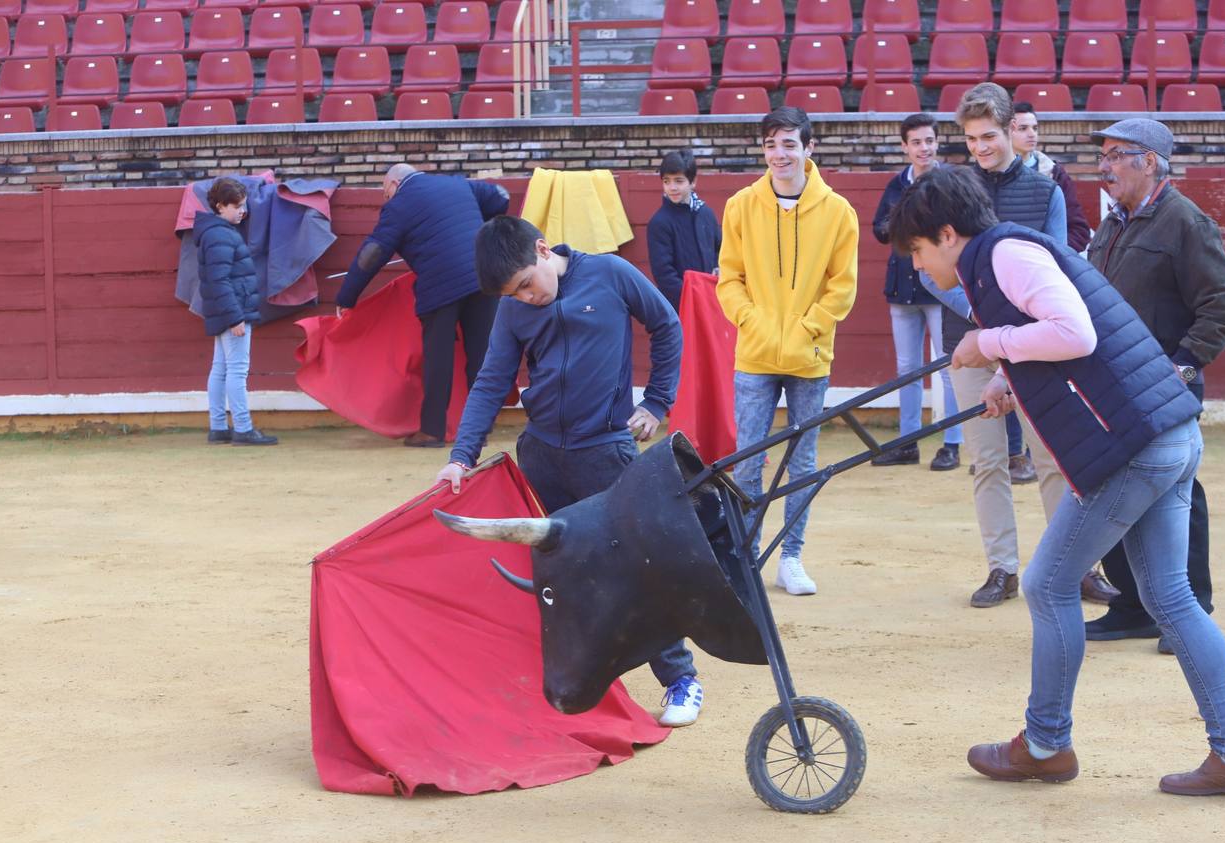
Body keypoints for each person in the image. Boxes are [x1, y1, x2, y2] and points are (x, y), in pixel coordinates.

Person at [888, 164, 1225, 798]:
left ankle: (1044, 744)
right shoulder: (1004, 253)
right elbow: (1070, 335)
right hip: (1165, 432)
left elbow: (1074, 332)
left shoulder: (1004, 256)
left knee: (1047, 584)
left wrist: (989, 342)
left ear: (948, 234)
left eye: (920, 252)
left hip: (1135, 445)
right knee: (1171, 598)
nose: (921, 267)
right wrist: (1007, 375)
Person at [434, 215, 704, 727]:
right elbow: (492, 381)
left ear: (542, 250)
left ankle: (681, 679)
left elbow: (667, 325)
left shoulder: (610, 273)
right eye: (513, 294)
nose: (525, 298)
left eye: (526, 284)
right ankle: (585, 680)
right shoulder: (513, 311)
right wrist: (461, 456)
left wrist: (657, 401)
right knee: (565, 574)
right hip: (543, 457)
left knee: (640, 567)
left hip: (606, 452)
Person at [931, 83, 1116, 609]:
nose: (981, 147)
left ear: (1013, 129)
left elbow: (1060, 266)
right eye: (971, 139)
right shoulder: (950, 190)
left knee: (1054, 455)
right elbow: (929, 272)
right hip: (969, 341)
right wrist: (982, 320)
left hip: (1037, 343)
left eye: (989, 135)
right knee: (987, 460)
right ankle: (1001, 568)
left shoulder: (1047, 190)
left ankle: (1076, 566)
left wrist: (1007, 331)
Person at [1084, 119, 1225, 654]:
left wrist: (1183, 366)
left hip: (1164, 386)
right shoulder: (1114, 224)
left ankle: (1191, 609)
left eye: (1114, 155)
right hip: (1114, 386)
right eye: (1103, 156)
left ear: (1148, 161)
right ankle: (1133, 606)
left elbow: (1224, 306)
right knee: (1117, 487)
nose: (1103, 166)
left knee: (1179, 495)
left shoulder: (1185, 222)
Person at [716, 106, 859, 597]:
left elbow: (842, 288)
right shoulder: (740, 206)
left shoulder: (839, 211)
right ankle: (747, 556)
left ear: (809, 148)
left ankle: (791, 556)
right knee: (748, 461)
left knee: (803, 463)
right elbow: (729, 279)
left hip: (810, 356)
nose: (780, 154)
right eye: (772, 145)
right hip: (754, 355)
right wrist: (753, 322)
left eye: (789, 144)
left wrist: (807, 329)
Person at [335, 163, 510, 448]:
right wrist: (477, 227)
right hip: (483, 275)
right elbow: (501, 196)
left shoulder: (400, 204)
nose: (385, 198)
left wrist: (346, 297)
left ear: (393, 185)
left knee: (438, 358)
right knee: (481, 356)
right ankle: (480, 429)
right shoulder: (456, 183)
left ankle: (432, 431)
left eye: (384, 192)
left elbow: (373, 253)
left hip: (440, 285)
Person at [869, 113, 962, 471]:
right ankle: (908, 442)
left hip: (940, 286)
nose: (924, 148)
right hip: (903, 286)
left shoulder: (947, 182)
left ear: (936, 143)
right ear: (905, 147)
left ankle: (951, 442)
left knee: (946, 367)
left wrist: (904, 224)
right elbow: (880, 230)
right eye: (917, 142)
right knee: (907, 367)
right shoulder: (898, 183)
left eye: (929, 141)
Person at [194, 176, 277, 447]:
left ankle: (218, 426)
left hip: (225, 310)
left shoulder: (215, 232)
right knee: (237, 371)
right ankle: (242, 427)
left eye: (243, 205)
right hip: (233, 312)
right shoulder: (220, 234)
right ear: (220, 206)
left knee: (220, 368)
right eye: (237, 206)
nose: (244, 211)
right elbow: (220, 281)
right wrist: (235, 317)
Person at [1010, 101, 1092, 254]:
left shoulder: (1056, 174)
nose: (1031, 134)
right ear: (1007, 131)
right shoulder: (990, 175)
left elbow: (1079, 231)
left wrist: (1053, 256)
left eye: (1034, 128)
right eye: (1023, 128)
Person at [646, 148, 722, 310]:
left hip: (712, 301)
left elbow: (720, 249)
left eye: (678, 181)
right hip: (680, 306)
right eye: (667, 181)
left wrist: (718, 270)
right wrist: (693, 298)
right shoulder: (659, 222)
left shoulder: (705, 213)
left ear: (693, 182)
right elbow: (664, 275)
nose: (672, 187)